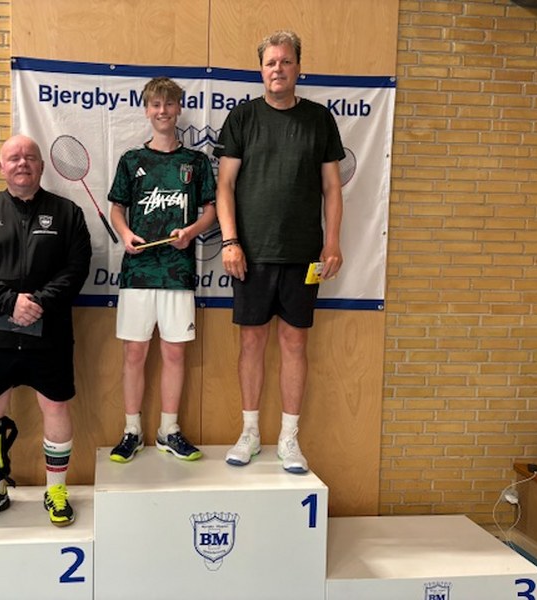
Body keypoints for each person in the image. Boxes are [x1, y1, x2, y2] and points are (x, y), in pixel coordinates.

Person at [213, 31, 345, 474]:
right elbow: (225, 185)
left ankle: (290, 438)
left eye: (286, 62)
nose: (278, 69)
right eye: (271, 63)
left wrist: (332, 241)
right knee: (251, 342)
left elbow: (332, 187)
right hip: (250, 254)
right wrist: (230, 241)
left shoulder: (319, 119)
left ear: (298, 68)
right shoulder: (242, 117)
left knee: (294, 342)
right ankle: (250, 432)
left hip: (304, 253)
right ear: (261, 69)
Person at [0, 134, 91, 527]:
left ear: (41, 166)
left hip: (49, 334)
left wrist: (39, 303)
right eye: (13, 158)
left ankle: (56, 490)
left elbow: (77, 267)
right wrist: (8, 302)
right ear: (1, 167)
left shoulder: (67, 213)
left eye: (30, 157)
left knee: (56, 407)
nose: (22, 163)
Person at [107, 77, 217, 463]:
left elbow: (211, 211)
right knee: (134, 353)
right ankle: (132, 431)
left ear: (179, 109)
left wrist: (191, 232)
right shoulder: (131, 160)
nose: (162, 111)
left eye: (169, 104)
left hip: (177, 272)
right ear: (146, 110)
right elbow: (116, 208)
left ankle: (169, 430)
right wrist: (125, 234)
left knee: (174, 353)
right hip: (138, 273)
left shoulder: (196, 163)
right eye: (155, 105)